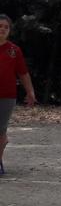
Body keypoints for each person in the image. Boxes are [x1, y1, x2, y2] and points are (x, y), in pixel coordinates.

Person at [0, 14, 37, 176]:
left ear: (9, 31)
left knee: (0, 130)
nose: (2, 29)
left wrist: (30, 92)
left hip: (6, 97)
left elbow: (23, 73)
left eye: (6, 27)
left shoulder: (14, 51)